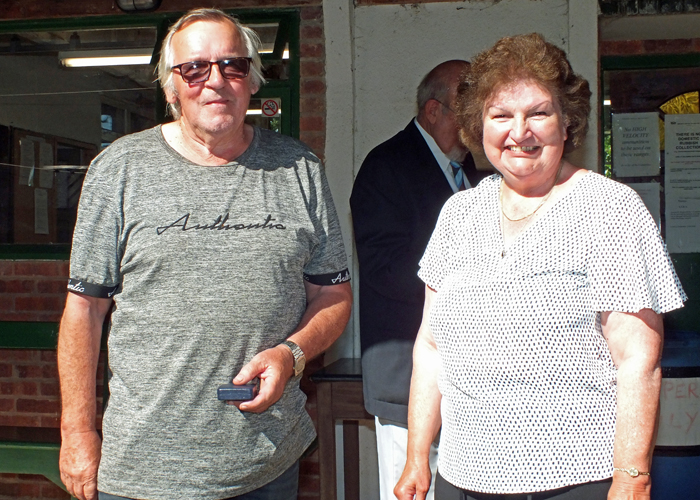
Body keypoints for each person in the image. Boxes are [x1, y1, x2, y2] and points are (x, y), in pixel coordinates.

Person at [57, 8, 352, 500]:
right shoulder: (120, 170)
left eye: (232, 66)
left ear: (252, 80)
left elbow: (333, 294)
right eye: (194, 68)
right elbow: (84, 310)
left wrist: (291, 354)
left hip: (267, 464)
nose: (215, 81)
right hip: (145, 472)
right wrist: (77, 433)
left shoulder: (298, 168)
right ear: (170, 87)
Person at [395, 33, 686, 500]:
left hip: (573, 478)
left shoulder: (610, 210)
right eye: (501, 115)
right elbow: (430, 347)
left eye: (538, 113)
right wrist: (416, 455)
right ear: (479, 126)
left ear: (566, 123)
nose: (520, 131)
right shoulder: (458, 215)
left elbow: (639, 361)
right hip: (462, 475)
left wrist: (632, 478)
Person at [350, 60, 490, 500]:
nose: (480, 119)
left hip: (473, 383)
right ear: (435, 111)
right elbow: (387, 270)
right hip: (406, 378)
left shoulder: (478, 173)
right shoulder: (386, 166)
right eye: (469, 106)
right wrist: (478, 279)